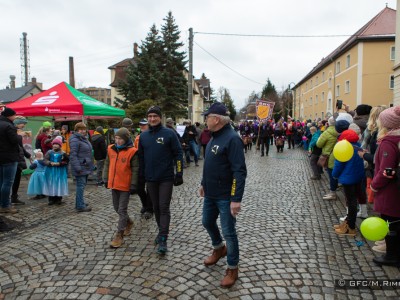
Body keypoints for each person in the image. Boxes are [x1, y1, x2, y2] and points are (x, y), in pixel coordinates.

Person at [199, 102, 247, 288]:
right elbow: (209, 163)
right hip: (211, 193)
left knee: (229, 232)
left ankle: (232, 268)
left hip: (226, 196)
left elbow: (239, 172)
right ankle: (219, 249)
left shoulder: (232, 139)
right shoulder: (213, 137)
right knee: (206, 221)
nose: (205, 120)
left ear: (216, 119)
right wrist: (203, 183)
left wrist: (236, 199)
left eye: (207, 117)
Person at [138, 106, 183, 255]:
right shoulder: (143, 136)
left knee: (164, 207)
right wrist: (141, 177)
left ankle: (163, 238)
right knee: (156, 207)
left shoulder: (169, 134)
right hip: (151, 178)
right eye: (149, 116)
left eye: (154, 116)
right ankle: (161, 232)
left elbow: (178, 154)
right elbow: (142, 158)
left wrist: (179, 173)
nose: (152, 119)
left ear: (160, 117)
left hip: (166, 177)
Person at [370, 105, 400, 266]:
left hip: (390, 191)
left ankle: (391, 256)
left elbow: (385, 171)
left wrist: (374, 186)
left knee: (391, 223)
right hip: (396, 188)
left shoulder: (389, 142)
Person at [103, 127, 139, 248]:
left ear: (126, 139)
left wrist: (134, 184)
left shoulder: (132, 151)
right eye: (116, 138)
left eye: (120, 139)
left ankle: (119, 234)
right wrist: (105, 178)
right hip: (114, 184)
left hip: (125, 185)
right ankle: (129, 222)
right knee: (116, 208)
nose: (117, 141)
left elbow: (135, 169)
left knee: (122, 210)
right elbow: (107, 163)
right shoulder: (110, 149)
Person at [332, 129, 365, 236]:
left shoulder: (344, 148)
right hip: (357, 177)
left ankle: (350, 227)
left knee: (351, 202)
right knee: (352, 201)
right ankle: (348, 223)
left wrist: (335, 175)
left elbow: (339, 164)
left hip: (348, 178)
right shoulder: (358, 145)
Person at [69, 122, 94, 212]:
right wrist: (78, 167)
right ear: (77, 130)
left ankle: (80, 202)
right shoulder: (75, 140)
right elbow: (73, 155)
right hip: (80, 166)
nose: (83, 131)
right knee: (80, 186)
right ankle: (79, 206)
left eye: (84, 129)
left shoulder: (83, 138)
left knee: (82, 186)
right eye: (81, 129)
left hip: (85, 165)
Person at [0, 107, 19, 215]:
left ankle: (2, 204)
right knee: (7, 182)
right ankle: (5, 205)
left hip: (1, 157)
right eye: (14, 115)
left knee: (2, 182)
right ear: (10, 116)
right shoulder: (9, 126)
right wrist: (19, 135)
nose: (15, 117)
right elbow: (14, 141)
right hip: (9, 157)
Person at [316, 117, 340, 200]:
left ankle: (332, 193)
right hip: (338, 154)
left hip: (329, 156)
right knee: (336, 174)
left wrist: (320, 136)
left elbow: (319, 144)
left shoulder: (327, 132)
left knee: (331, 175)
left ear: (328, 123)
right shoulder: (339, 131)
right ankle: (335, 189)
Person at [11, 116, 32, 205]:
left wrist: (28, 155)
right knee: (13, 179)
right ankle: (11, 198)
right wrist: (19, 135)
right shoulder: (12, 131)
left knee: (16, 178)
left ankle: (14, 197)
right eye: (23, 123)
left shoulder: (17, 132)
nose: (24, 125)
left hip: (17, 158)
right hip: (13, 158)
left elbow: (20, 147)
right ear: (17, 123)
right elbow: (15, 144)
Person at [134, 118, 153, 218]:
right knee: (139, 188)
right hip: (140, 165)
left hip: (150, 165)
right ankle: (145, 204)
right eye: (140, 125)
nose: (142, 126)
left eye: (144, 125)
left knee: (150, 188)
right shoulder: (137, 137)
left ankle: (149, 208)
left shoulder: (151, 135)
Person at [44, 139, 69, 205]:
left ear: (60, 145)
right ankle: (51, 198)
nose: (55, 145)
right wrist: (50, 163)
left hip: (59, 171)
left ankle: (58, 198)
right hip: (51, 171)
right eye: (54, 144)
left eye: (57, 144)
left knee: (59, 184)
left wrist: (60, 163)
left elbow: (66, 161)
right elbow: (45, 160)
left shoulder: (63, 153)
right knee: (51, 183)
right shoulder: (49, 152)